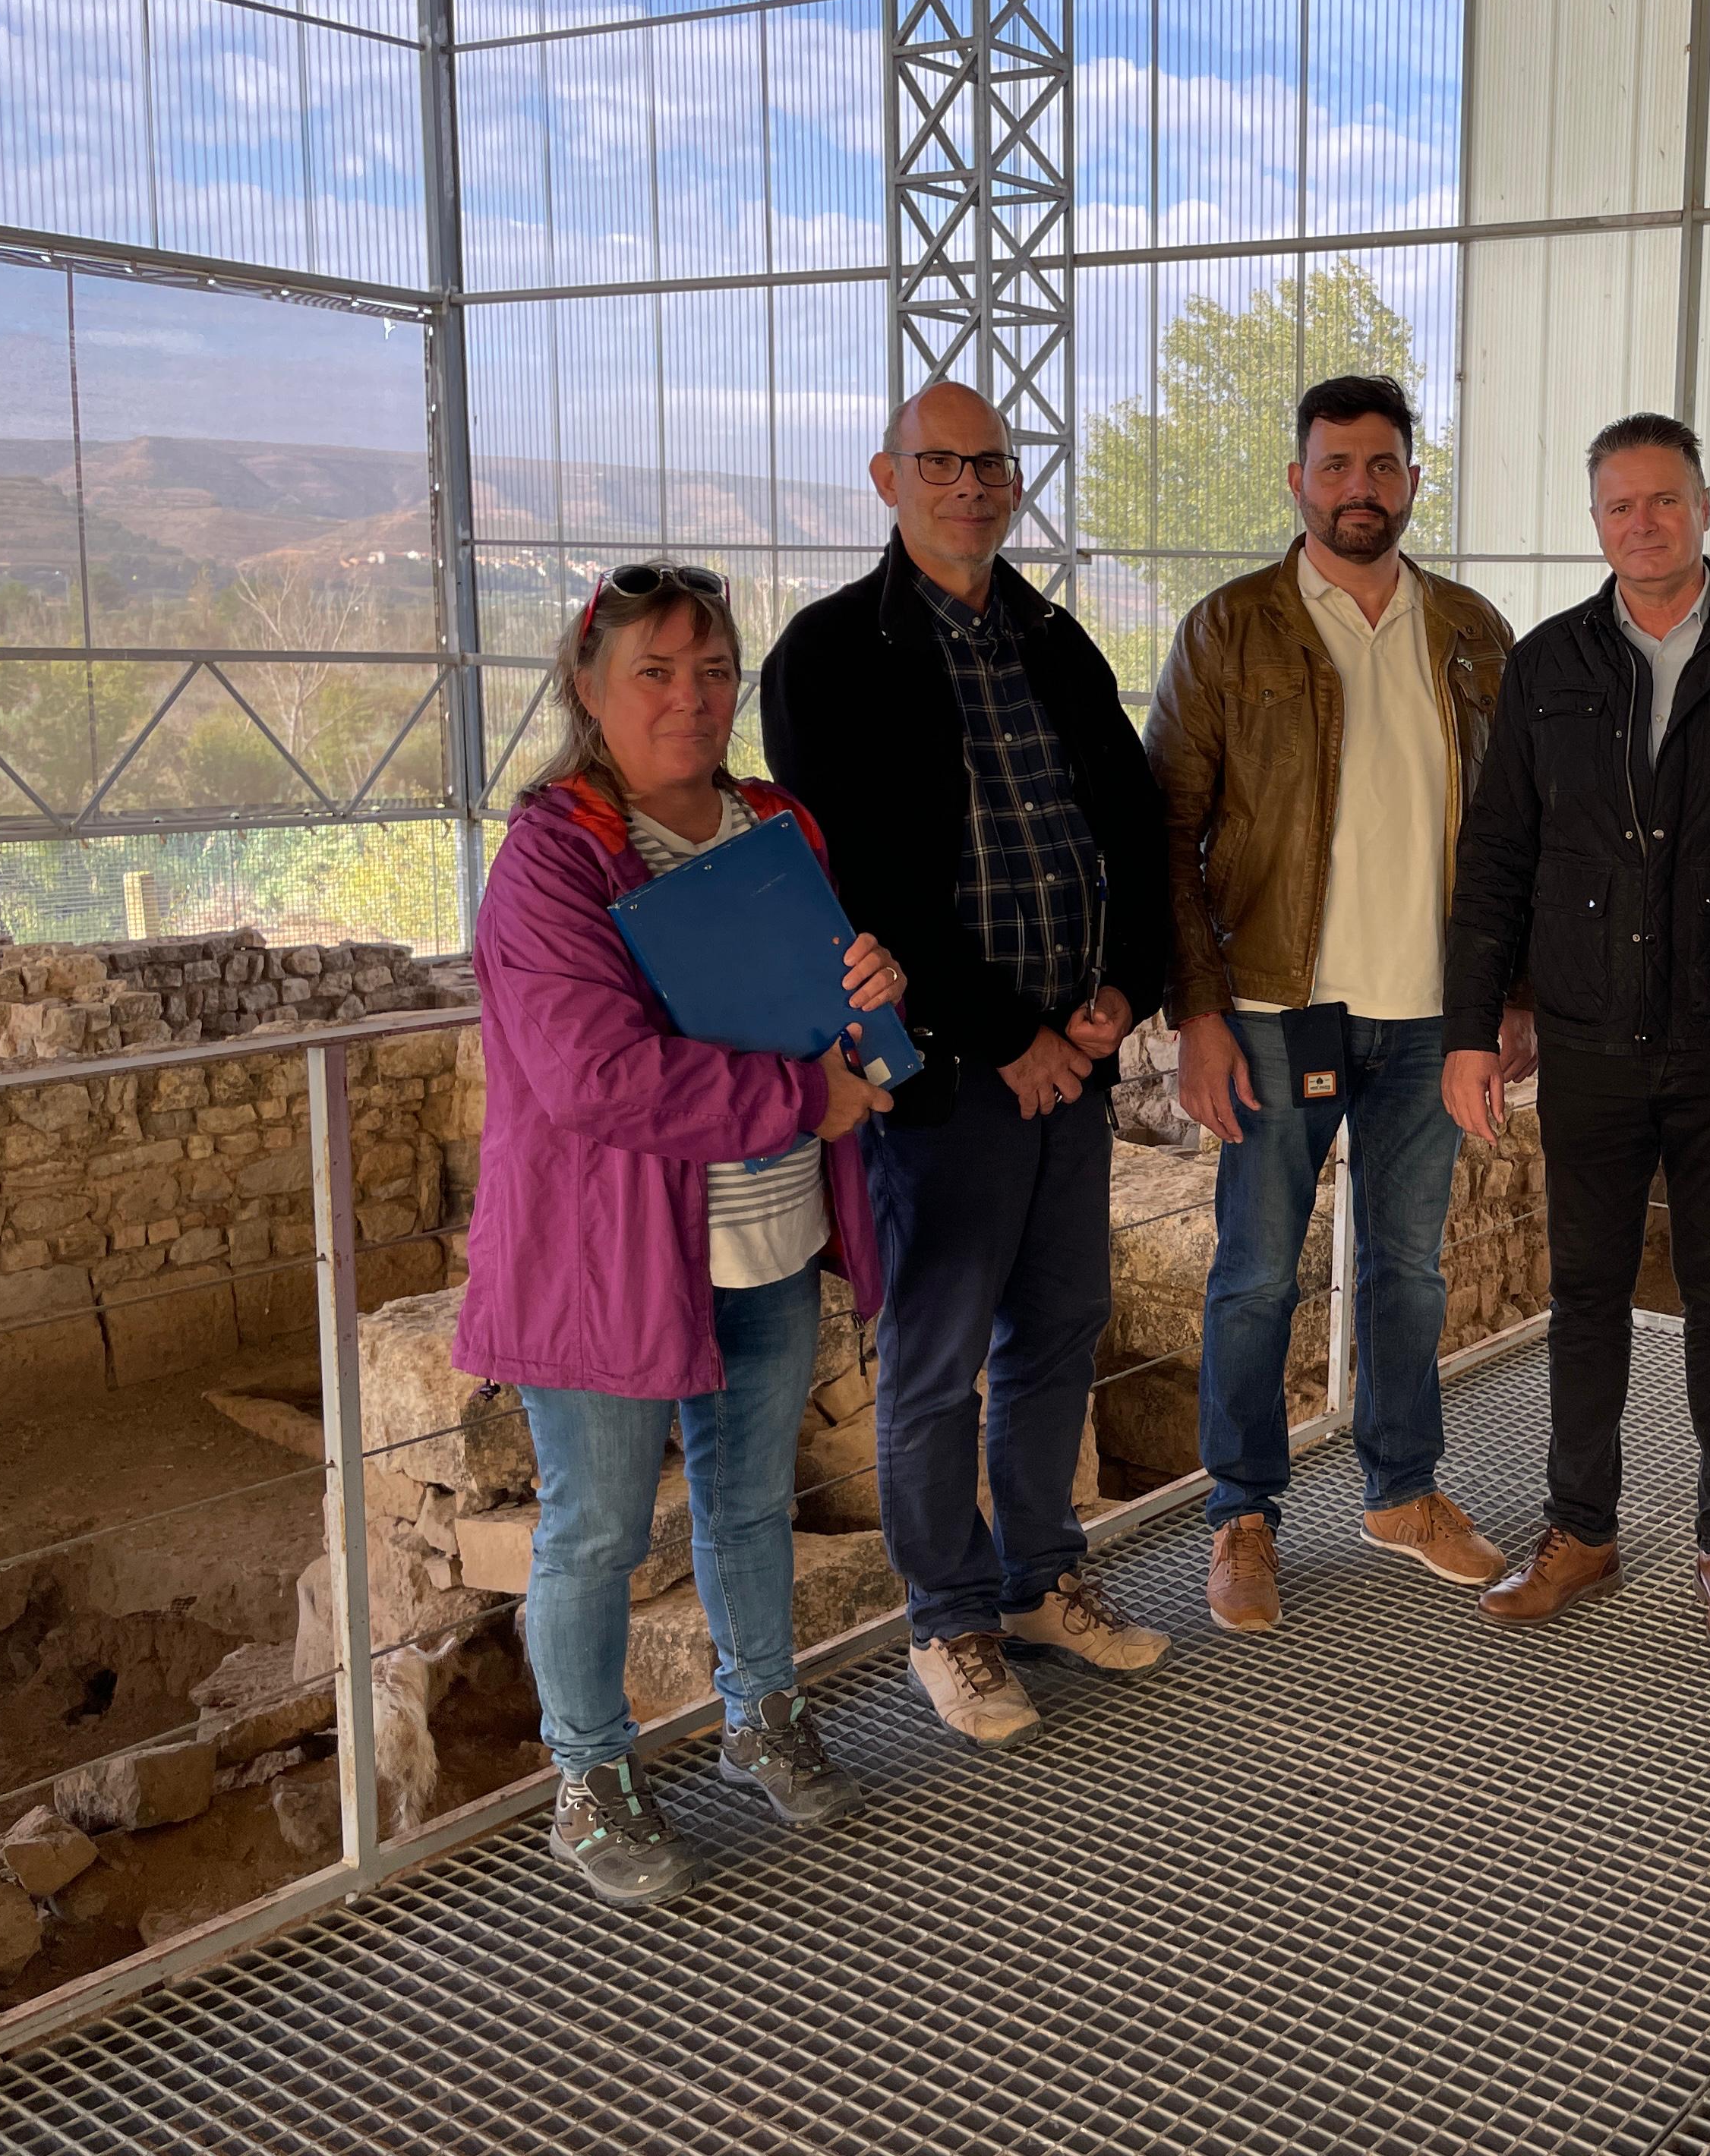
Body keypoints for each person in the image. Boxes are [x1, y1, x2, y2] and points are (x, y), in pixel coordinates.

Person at [457, 559, 902, 1906]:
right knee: (594, 1529)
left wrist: (875, 990)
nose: (691, 698)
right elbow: (594, 1075)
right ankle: (590, 1781)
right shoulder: (553, 855)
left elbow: (828, 999)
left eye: (712, 670)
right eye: (654, 670)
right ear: (589, 689)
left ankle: (763, 1710)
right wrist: (804, 1093)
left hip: (764, 1235)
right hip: (608, 1254)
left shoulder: (776, 823)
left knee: (750, 1502)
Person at [759, 380, 1174, 1751]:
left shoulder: (1052, 640)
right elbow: (864, 878)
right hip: (948, 1078)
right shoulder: (831, 654)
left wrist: (1126, 992)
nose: (971, 486)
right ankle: (950, 1619)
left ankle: (1043, 1575)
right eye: (941, 463)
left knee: (1059, 1326)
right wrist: (1013, 1039)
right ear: (888, 477)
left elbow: (1129, 823)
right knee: (935, 1359)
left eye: (992, 463)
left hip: (1075, 1061)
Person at [1443, 412, 1710, 1652]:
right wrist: (1479, 1024)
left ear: (1705, 506)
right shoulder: (1551, 661)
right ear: (1597, 521)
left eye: (1663, 501)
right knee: (1585, 1292)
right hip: (1584, 1037)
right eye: (1619, 506)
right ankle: (1584, 1529)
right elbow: (1501, 851)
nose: (1643, 524)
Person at [1146, 375, 1528, 1632]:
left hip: (1432, 1014)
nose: (1359, 487)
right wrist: (1197, 1015)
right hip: (1273, 1004)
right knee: (1257, 1271)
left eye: (1382, 465)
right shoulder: (1229, 630)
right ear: (1298, 481)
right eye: (1335, 465)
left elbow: (1526, 834)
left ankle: (1402, 1492)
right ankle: (1242, 1514)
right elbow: (1170, 832)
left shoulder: (1471, 632)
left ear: (1415, 480)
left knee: (1410, 1269)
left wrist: (1507, 997)